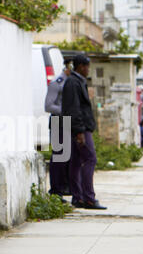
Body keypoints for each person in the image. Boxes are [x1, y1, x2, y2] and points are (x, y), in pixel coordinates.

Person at [62, 55, 106, 210]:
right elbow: (74, 109)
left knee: (75, 161)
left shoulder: (76, 82)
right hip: (80, 128)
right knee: (90, 159)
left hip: (77, 128)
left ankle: (78, 197)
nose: (88, 70)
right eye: (87, 66)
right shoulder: (73, 83)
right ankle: (88, 197)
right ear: (81, 67)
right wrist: (80, 131)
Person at [44, 60, 71, 197]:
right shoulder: (57, 83)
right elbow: (48, 106)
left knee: (68, 156)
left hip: (68, 121)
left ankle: (66, 186)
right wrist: (66, 110)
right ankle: (56, 189)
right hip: (58, 121)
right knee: (59, 156)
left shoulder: (72, 82)